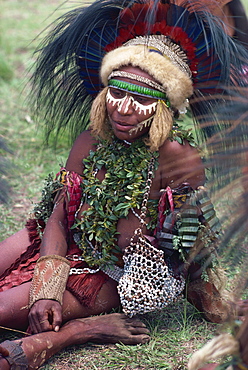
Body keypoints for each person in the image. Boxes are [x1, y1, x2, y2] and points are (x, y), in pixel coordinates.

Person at [0, 0, 247, 368]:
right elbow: (57, 218)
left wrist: (214, 299)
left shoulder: (178, 158)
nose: (124, 109)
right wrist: (46, 289)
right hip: (59, 242)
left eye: (141, 98)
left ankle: (84, 328)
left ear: (165, 105)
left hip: (109, 274)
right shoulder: (88, 141)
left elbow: (191, 242)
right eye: (117, 93)